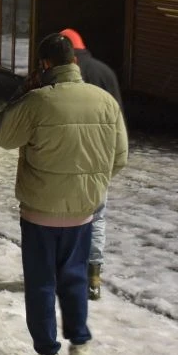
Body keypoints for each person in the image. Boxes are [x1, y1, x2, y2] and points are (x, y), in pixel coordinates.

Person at [0, 33, 127, 355]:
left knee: (41, 283)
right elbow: (120, 157)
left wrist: (21, 93)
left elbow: (4, 136)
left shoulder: (37, 101)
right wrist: (91, 183)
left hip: (40, 210)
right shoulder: (105, 101)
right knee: (75, 278)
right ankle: (80, 346)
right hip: (83, 210)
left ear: (45, 65)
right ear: (75, 62)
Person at [59, 28, 123, 301]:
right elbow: (118, 120)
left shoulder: (60, 77)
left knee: (65, 218)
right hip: (99, 159)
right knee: (97, 218)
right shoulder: (105, 73)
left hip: (67, 158)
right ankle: (93, 276)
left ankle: (67, 273)